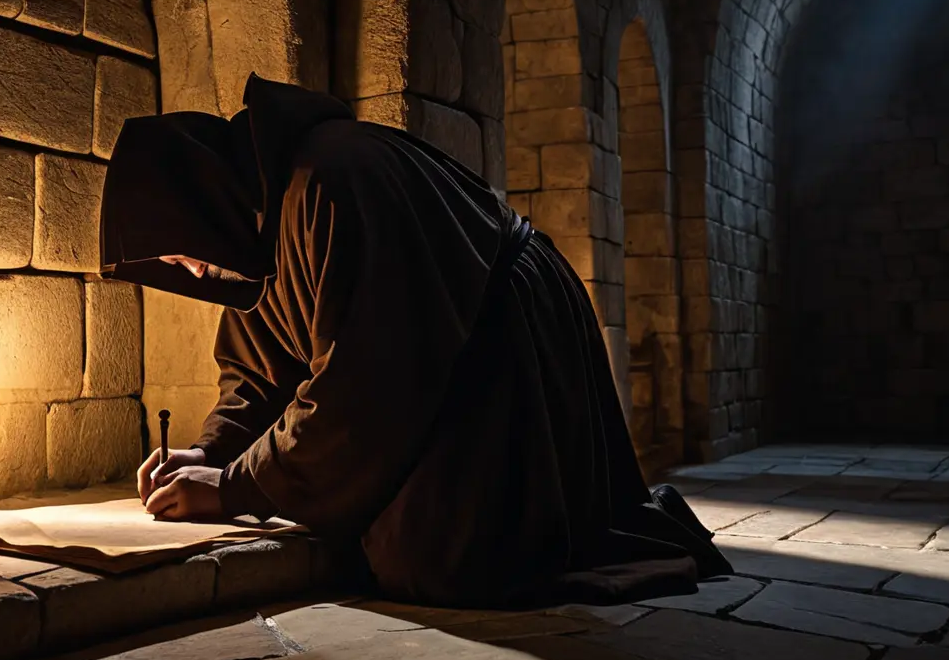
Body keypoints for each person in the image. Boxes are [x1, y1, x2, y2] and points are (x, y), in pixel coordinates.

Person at [99, 74, 730, 608]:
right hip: (440, 344)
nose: (190, 269)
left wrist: (235, 486)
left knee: (441, 559)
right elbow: (259, 372)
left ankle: (638, 525)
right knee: (391, 542)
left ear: (197, 200)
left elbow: (362, 386)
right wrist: (210, 452)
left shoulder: (331, 179)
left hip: (502, 327)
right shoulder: (260, 232)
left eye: (177, 250)